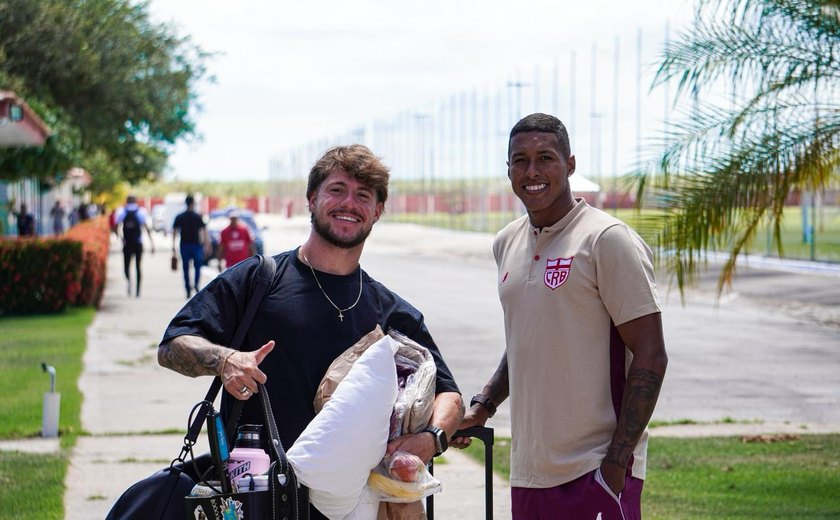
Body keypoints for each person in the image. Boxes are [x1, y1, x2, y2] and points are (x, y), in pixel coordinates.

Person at [158, 144, 464, 520]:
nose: (348, 203)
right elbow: (173, 345)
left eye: (363, 195)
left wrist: (430, 440)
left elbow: (449, 395)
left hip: (355, 506)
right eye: (337, 190)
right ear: (312, 198)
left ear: (377, 211)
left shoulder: (393, 313)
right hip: (260, 500)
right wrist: (225, 360)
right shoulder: (259, 280)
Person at [453, 113, 668, 519]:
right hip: (530, 473)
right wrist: (484, 405)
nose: (532, 172)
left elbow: (651, 354)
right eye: (520, 160)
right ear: (509, 170)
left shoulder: (606, 239)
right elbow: (529, 338)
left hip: (595, 470)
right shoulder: (507, 242)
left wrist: (616, 464)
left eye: (546, 158)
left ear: (570, 164)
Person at [115, 194, 155, 297]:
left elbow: (116, 225)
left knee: (127, 266)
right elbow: (146, 227)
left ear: (127, 201)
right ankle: (138, 290)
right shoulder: (141, 212)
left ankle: (129, 282)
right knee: (138, 266)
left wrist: (120, 238)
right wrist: (151, 243)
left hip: (127, 243)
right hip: (138, 243)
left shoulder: (122, 211)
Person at [172, 194, 207, 298]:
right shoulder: (198, 216)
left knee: (186, 268)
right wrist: (206, 243)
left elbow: (175, 231)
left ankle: (187, 288)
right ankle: (196, 284)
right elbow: (204, 230)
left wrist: (173, 246)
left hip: (185, 245)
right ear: (193, 203)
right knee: (197, 267)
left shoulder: (180, 216)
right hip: (196, 245)